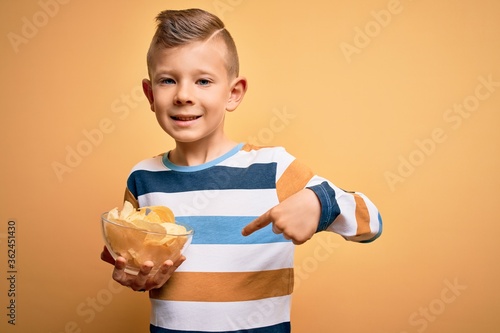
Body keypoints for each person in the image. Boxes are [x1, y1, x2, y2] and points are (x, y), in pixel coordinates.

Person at [101, 8, 382, 333]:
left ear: (232, 93)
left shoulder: (273, 168)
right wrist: (135, 275)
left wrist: (320, 203)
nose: (183, 95)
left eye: (203, 81)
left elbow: (372, 223)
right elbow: (132, 265)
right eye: (168, 80)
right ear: (151, 94)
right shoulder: (142, 179)